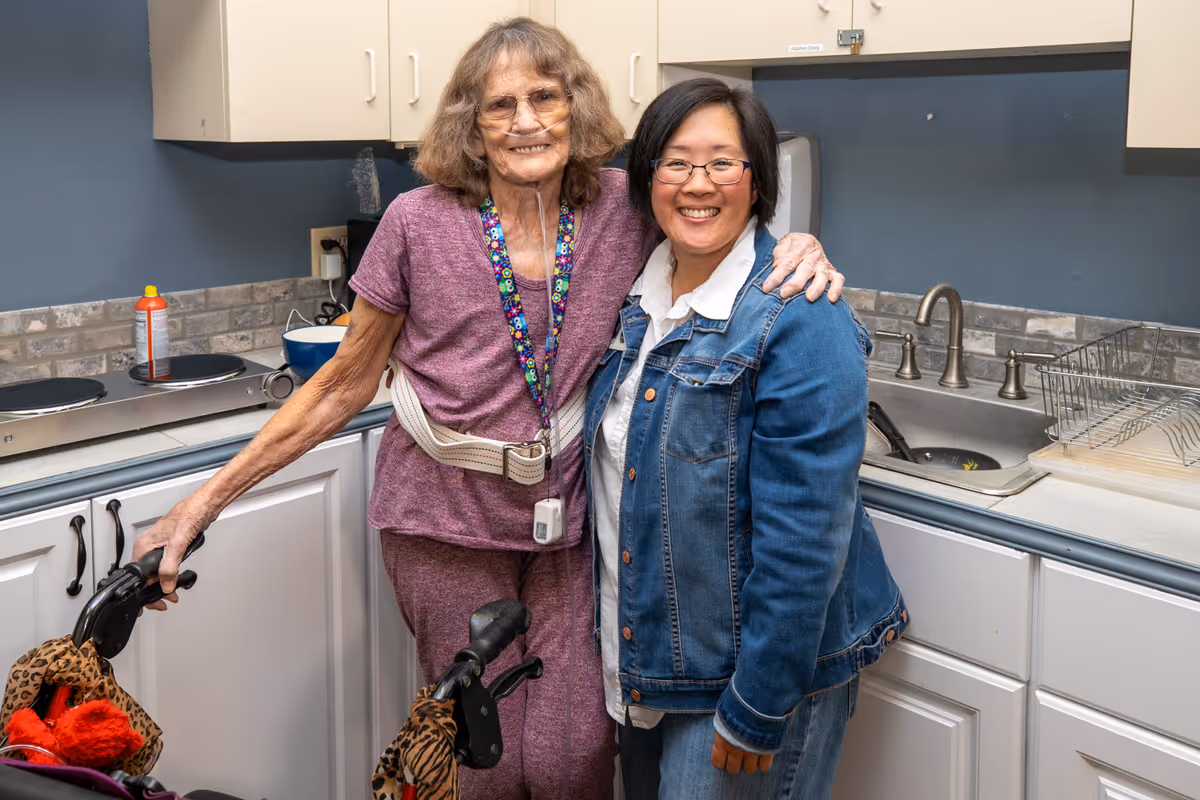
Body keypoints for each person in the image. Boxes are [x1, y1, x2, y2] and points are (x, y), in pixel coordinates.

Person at [131, 19, 844, 799]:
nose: (527, 120)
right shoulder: (416, 223)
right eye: (500, 104)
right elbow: (343, 382)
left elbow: (710, 214)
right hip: (443, 523)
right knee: (485, 760)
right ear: (470, 125)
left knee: (574, 753)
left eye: (545, 96)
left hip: (571, 526)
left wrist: (792, 245)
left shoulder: (623, 207)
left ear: (576, 109)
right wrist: (200, 504)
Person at [584, 78, 909, 800]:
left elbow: (805, 536)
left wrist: (758, 707)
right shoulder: (637, 298)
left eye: (723, 162)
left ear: (757, 179)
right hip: (649, 662)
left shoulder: (800, 314)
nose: (698, 184)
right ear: (645, 178)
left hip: (745, 681)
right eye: (675, 161)